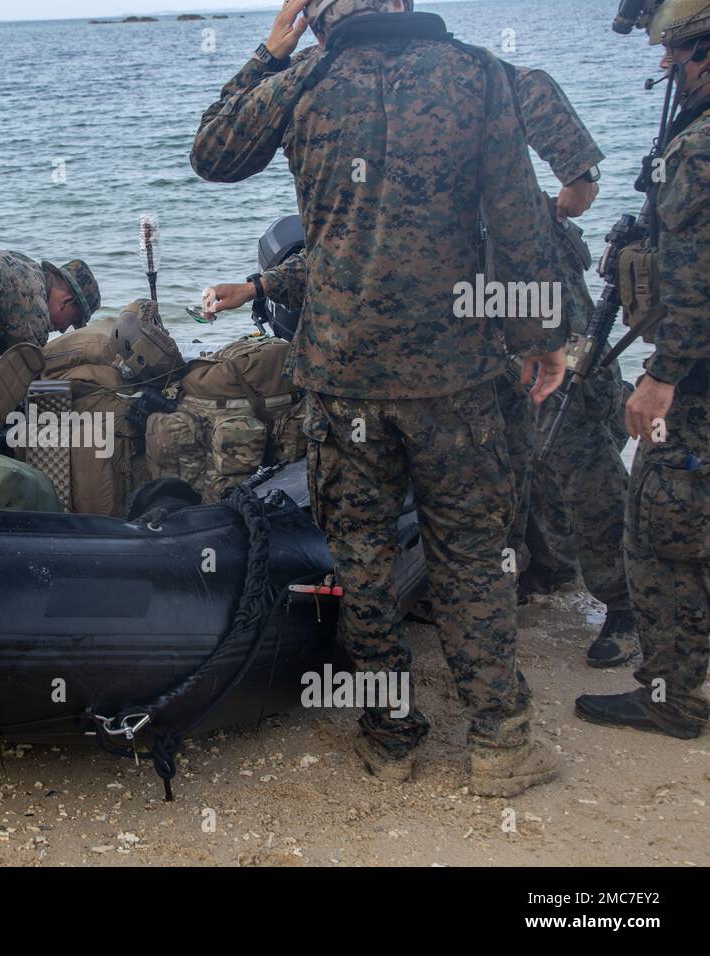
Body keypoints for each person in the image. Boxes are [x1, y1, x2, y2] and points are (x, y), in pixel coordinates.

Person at [192, 0, 568, 796]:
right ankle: (500, 741)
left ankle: (390, 734)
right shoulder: (477, 73)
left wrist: (271, 50)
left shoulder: (305, 80)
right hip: (454, 376)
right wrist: (541, 334)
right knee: (471, 555)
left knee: (360, 560)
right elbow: (519, 218)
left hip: (341, 372)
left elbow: (212, 153)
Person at [207, 55, 637, 670]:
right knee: (506, 459)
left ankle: (623, 603)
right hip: (472, 317)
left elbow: (556, 140)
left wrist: (571, 188)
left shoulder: (484, 79)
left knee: (575, 446)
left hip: (531, 286)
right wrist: (259, 287)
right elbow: (355, 258)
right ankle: (522, 576)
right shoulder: (375, 120)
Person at [577, 0, 710, 740]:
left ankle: (673, 699)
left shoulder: (698, 148)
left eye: (678, 54)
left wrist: (663, 374)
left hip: (695, 382)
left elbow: (697, 278)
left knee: (662, 535)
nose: (665, 66)